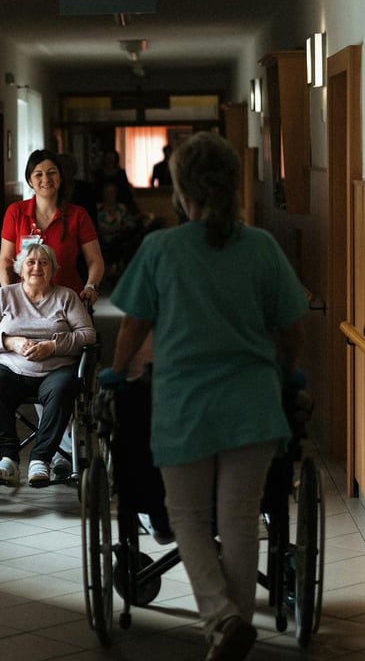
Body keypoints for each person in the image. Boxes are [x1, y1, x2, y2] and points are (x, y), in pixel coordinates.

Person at [99, 132, 308, 661]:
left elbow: (134, 324)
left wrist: (118, 373)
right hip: (253, 403)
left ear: (181, 190)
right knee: (239, 519)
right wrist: (286, 373)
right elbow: (291, 325)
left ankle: (221, 620)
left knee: (187, 517)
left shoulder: (161, 248)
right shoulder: (261, 247)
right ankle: (228, 630)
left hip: (186, 405)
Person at [0, 243, 97, 486]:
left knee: (64, 389)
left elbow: (87, 334)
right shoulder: (5, 295)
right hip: (10, 367)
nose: (36, 267)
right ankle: (6, 458)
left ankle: (41, 459)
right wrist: (11, 342)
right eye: (31, 262)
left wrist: (53, 346)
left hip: (55, 370)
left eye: (43, 262)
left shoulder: (66, 297)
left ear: (53, 269)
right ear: (20, 268)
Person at [0, 150, 105, 307]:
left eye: (51, 173)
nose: (46, 179)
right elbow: (6, 260)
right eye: (38, 174)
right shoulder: (16, 212)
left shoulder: (78, 215)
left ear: (60, 178)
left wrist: (91, 286)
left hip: (67, 302)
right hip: (24, 303)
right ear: (30, 180)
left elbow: (95, 260)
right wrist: (9, 294)